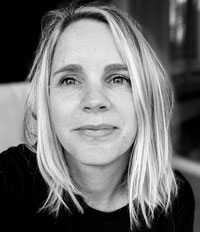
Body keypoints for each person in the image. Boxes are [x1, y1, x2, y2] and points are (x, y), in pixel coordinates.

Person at [0, 1, 195, 231]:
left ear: (146, 98)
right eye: (69, 80)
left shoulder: (174, 198)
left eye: (118, 79)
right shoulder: (12, 181)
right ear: (46, 101)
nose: (94, 101)